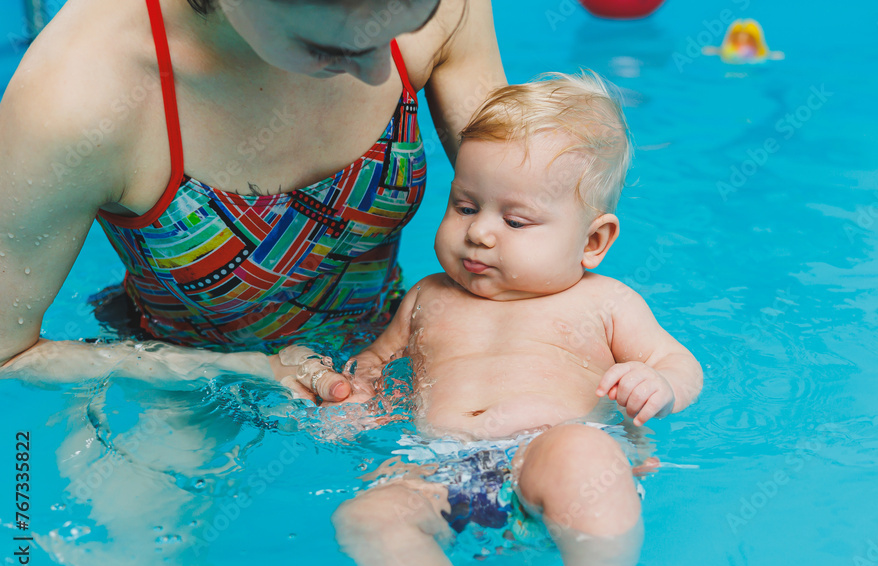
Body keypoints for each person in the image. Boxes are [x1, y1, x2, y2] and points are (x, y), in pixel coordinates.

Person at [330, 72, 703, 566]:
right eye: (465, 205)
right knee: (365, 518)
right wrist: (360, 391)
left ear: (592, 241)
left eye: (516, 221)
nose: (479, 232)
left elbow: (678, 363)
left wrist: (657, 384)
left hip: (547, 454)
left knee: (583, 456)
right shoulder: (427, 297)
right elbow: (378, 361)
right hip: (442, 463)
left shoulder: (603, 302)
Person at [0, 0, 506, 402]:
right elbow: (8, 354)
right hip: (187, 388)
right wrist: (252, 373)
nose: (381, 75)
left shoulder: (444, 7)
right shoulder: (81, 98)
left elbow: (529, 216)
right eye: (329, 46)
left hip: (390, 341)